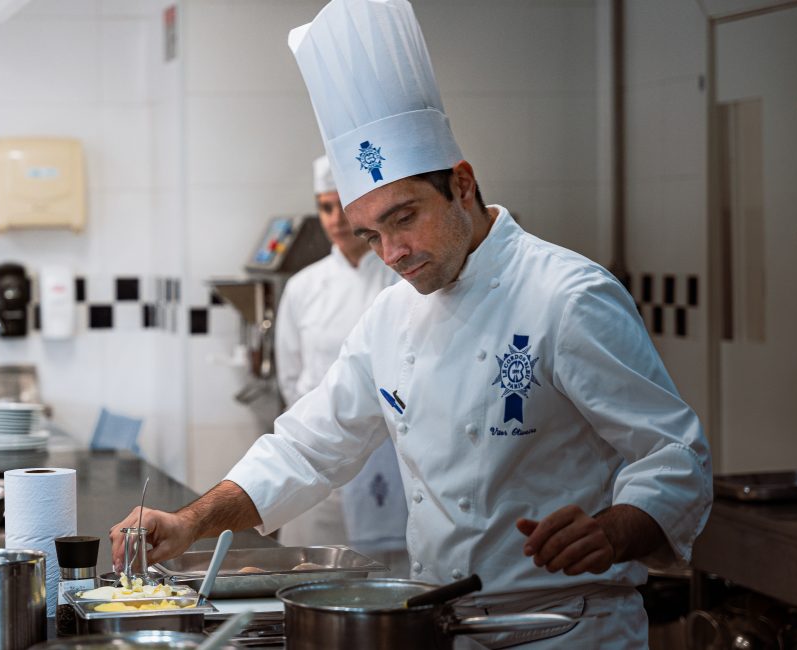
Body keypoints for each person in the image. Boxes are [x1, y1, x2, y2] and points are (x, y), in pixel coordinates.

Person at [112, 0, 712, 646]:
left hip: (565, 629)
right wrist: (191, 522)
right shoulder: (390, 317)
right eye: (372, 235)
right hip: (442, 627)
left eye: (404, 218)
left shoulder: (567, 297)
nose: (393, 253)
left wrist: (616, 529)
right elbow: (307, 447)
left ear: (462, 184)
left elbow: (676, 456)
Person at [274, 155, 408, 576]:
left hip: (390, 460)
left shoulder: (401, 279)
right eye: (324, 207)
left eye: (341, 206)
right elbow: (290, 377)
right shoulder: (303, 287)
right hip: (320, 458)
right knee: (310, 572)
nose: (334, 219)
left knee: (385, 578)